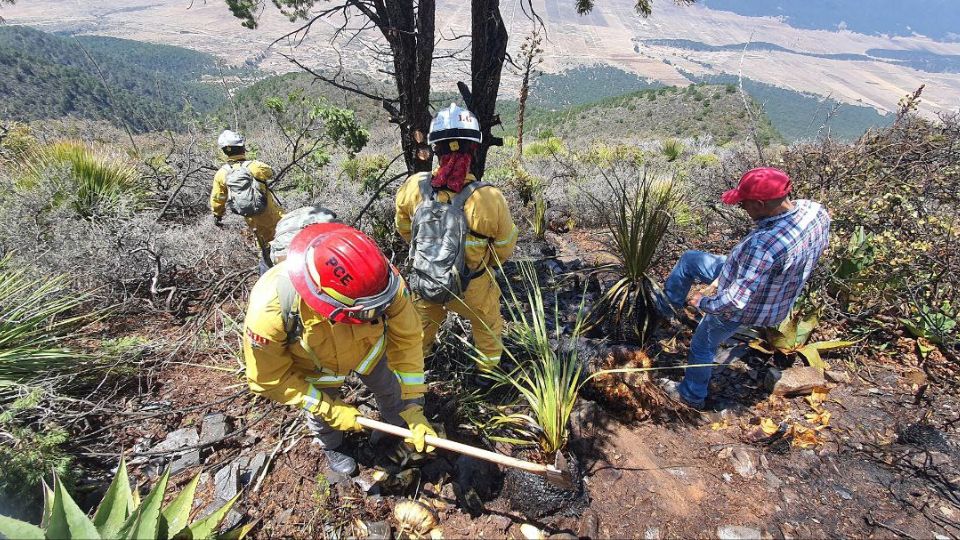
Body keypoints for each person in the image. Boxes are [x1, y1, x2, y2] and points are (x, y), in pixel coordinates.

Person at [242, 223, 435, 475]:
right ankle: (332, 444)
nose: (375, 314)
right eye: (366, 312)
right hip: (316, 365)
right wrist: (328, 408)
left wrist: (413, 404)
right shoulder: (270, 311)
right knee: (320, 408)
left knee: (392, 390)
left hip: (370, 351)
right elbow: (267, 378)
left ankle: (395, 425)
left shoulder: (384, 283)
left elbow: (408, 340)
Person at [659, 167, 831, 409]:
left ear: (760, 204)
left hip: (750, 307)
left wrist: (703, 302)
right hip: (773, 293)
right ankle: (664, 311)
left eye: (744, 204)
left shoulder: (762, 246)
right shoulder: (814, 211)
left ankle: (691, 395)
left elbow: (734, 301)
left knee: (702, 344)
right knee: (690, 260)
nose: (742, 208)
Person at [394, 103, 518, 380]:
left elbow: (404, 228)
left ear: (436, 150)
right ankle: (487, 378)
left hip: (426, 281)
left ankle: (414, 378)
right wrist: (480, 264)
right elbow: (505, 247)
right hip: (471, 286)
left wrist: (429, 255)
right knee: (488, 327)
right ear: (473, 149)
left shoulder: (414, 186)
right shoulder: (489, 198)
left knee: (420, 329)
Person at [209, 129, 284, 274]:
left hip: (252, 219)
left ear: (225, 152)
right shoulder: (255, 167)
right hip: (272, 214)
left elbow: (217, 198)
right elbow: (270, 172)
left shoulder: (221, 173)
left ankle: (267, 278)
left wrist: (217, 214)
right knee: (285, 237)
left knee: (264, 248)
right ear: (243, 148)